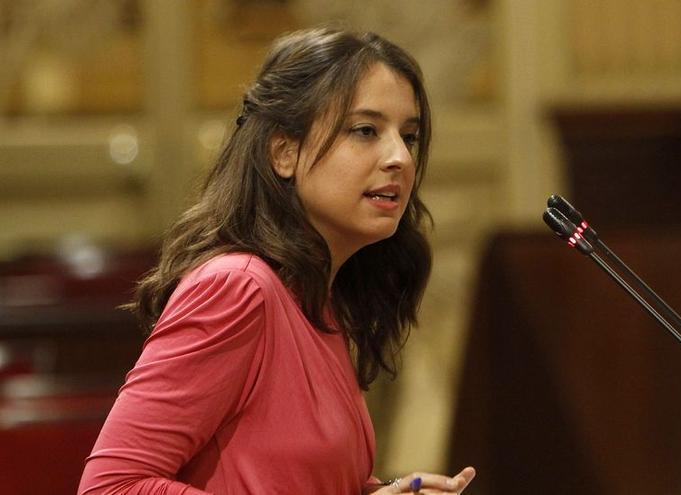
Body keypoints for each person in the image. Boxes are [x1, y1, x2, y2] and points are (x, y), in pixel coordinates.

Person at [78, 26, 476, 495]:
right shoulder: (237, 288)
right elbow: (110, 486)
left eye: (408, 136)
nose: (399, 158)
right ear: (284, 152)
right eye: (365, 130)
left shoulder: (319, 299)